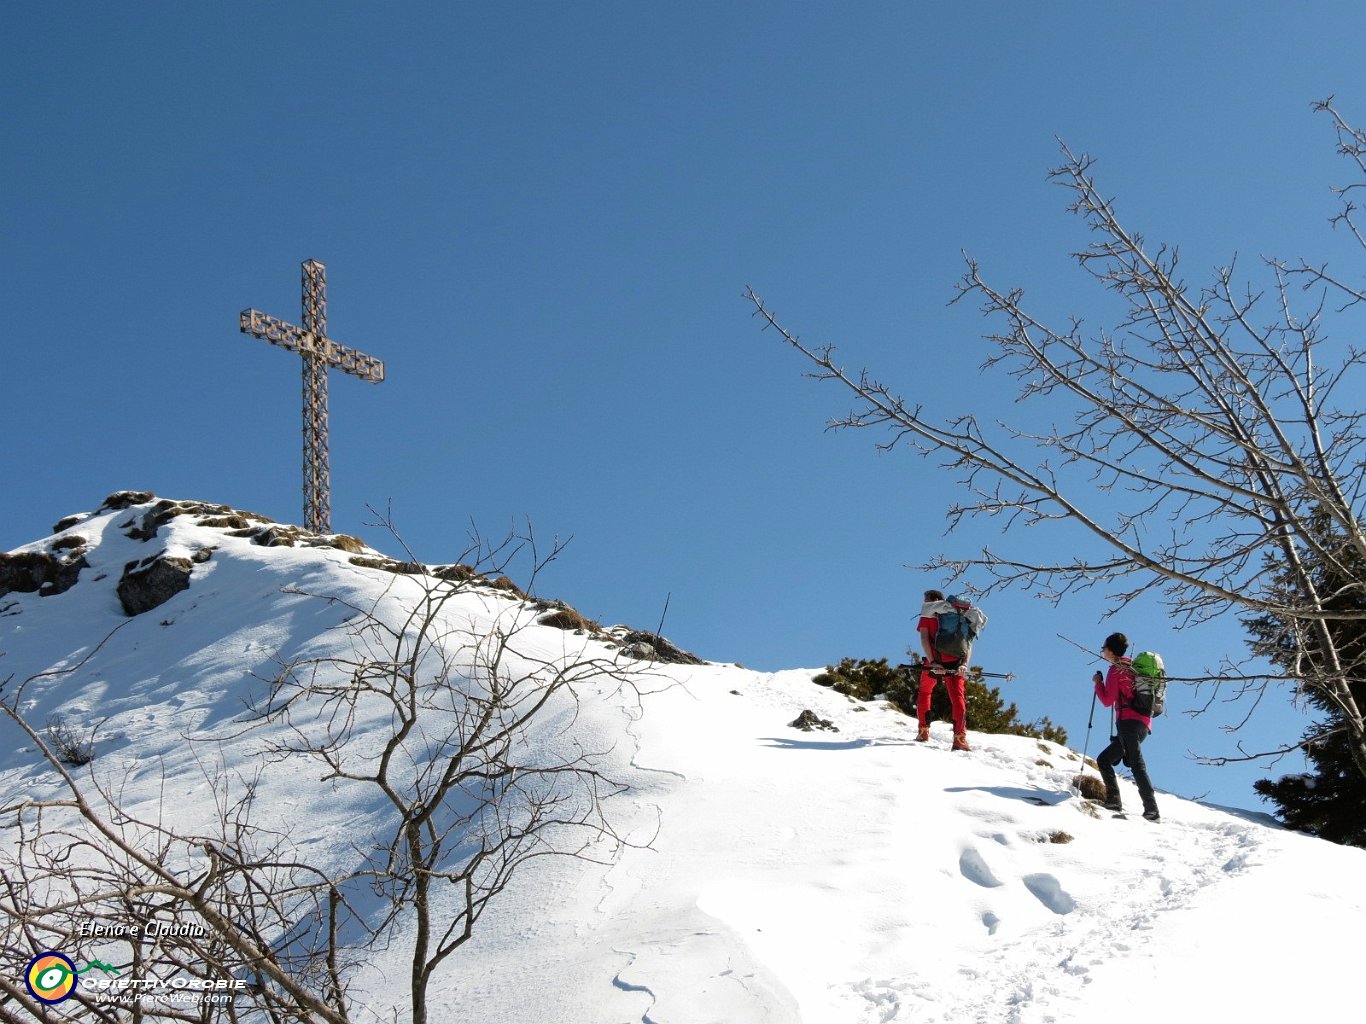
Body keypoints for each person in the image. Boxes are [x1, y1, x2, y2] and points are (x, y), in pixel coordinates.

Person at [1093, 632, 1160, 821]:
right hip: (1143, 723)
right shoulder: (1133, 667)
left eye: (1104, 648)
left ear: (1111, 650)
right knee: (1105, 759)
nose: (1103, 651)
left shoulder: (1116, 670)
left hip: (1128, 723)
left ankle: (1152, 810)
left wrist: (1098, 684)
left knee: (1137, 765)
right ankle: (1114, 801)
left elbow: (1107, 700)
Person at [916, 589, 971, 751]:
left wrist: (933, 662)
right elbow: (968, 642)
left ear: (932, 600)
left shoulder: (927, 614)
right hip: (956, 662)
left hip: (934, 662)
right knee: (958, 698)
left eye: (925, 599)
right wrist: (964, 664)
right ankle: (960, 738)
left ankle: (923, 731)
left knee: (925, 692)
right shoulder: (959, 616)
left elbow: (924, 639)